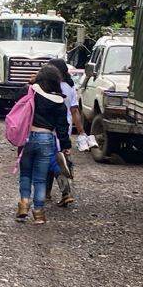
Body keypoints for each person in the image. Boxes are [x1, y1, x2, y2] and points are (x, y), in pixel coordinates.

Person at [18, 65, 70, 225]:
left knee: (25, 174)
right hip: (46, 139)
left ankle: (24, 205)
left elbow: (17, 99)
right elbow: (63, 127)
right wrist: (65, 146)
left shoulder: (31, 92)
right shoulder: (59, 102)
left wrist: (31, 81)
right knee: (40, 179)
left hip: (27, 138)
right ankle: (39, 214)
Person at [49, 59, 84, 207]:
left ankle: (65, 192)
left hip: (51, 127)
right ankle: (53, 192)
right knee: (60, 157)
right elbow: (75, 111)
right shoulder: (70, 88)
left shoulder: (49, 87)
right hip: (66, 128)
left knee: (52, 159)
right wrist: (81, 131)